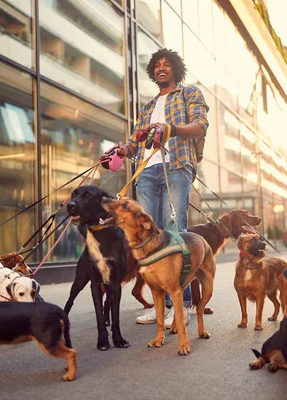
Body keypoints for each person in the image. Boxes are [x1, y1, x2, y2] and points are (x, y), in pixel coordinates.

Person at [113, 48, 209, 328]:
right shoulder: (147, 107)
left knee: (174, 234)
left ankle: (183, 305)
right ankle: (161, 305)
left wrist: (171, 130)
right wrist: (120, 152)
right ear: (153, 72)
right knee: (147, 237)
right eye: (157, 65)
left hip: (176, 168)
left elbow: (201, 126)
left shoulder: (189, 94)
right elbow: (136, 142)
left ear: (176, 70)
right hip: (147, 172)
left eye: (167, 65)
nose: (161, 68)